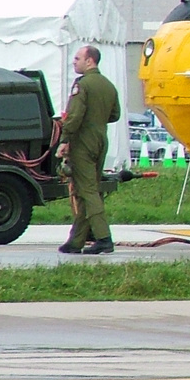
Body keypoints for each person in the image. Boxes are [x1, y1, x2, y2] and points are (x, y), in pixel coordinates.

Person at [58, 45, 121, 255]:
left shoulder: (82, 85)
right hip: (101, 140)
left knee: (87, 190)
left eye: (77, 58)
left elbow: (74, 117)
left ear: (90, 61)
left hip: (83, 142)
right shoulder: (109, 86)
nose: (74, 62)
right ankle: (76, 240)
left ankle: (104, 237)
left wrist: (64, 139)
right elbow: (115, 115)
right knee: (85, 189)